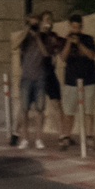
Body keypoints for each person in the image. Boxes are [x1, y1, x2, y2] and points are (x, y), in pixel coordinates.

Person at [11, 12, 59, 148]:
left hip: (40, 78)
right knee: (24, 109)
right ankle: (24, 138)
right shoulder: (24, 38)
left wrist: (37, 37)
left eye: (35, 23)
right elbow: (14, 45)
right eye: (31, 23)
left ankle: (39, 138)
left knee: (39, 110)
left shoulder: (43, 37)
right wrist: (26, 31)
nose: (33, 26)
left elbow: (46, 54)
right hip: (26, 78)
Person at [57, 14, 95, 150]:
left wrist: (79, 43)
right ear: (70, 26)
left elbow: (91, 55)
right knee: (68, 112)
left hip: (88, 79)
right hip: (71, 80)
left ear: (81, 26)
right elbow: (63, 57)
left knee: (88, 111)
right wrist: (70, 42)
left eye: (78, 27)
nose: (76, 29)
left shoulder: (88, 39)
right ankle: (66, 137)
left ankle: (89, 137)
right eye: (73, 26)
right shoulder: (64, 40)